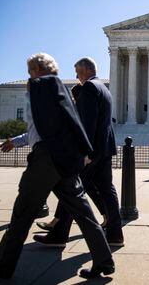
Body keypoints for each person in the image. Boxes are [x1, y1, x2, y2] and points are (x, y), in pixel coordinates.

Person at [0, 53, 114, 279]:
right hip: (66, 161)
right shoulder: (62, 88)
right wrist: (84, 152)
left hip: (46, 160)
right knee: (84, 214)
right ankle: (104, 261)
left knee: (22, 213)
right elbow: (74, 124)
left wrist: (36, 149)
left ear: (36, 70)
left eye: (31, 70)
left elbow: (40, 127)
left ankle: (3, 263)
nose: (30, 75)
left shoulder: (39, 85)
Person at [34, 57, 123, 247]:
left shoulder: (90, 88)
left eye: (77, 72)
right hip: (105, 148)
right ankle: (116, 234)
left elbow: (87, 123)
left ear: (86, 70)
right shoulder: (104, 89)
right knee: (107, 190)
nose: (76, 76)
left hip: (92, 151)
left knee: (71, 188)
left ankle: (59, 234)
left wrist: (85, 152)